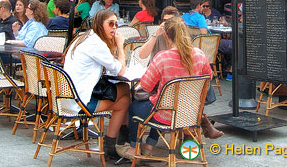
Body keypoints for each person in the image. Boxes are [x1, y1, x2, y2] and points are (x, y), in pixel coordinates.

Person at [116, 16, 212, 160]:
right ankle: (149, 146)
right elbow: (207, 78)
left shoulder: (163, 57)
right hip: (190, 113)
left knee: (136, 107)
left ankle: (134, 148)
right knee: (157, 103)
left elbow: (146, 86)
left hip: (165, 115)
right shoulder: (199, 54)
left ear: (167, 35)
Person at [64, 9, 129, 160]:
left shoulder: (86, 37)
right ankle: (120, 143)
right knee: (125, 89)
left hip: (67, 98)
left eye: (116, 24)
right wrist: (120, 46)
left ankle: (113, 146)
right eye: (111, 24)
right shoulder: (96, 44)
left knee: (124, 100)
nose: (114, 28)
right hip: (79, 103)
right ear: (100, 24)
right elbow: (120, 70)